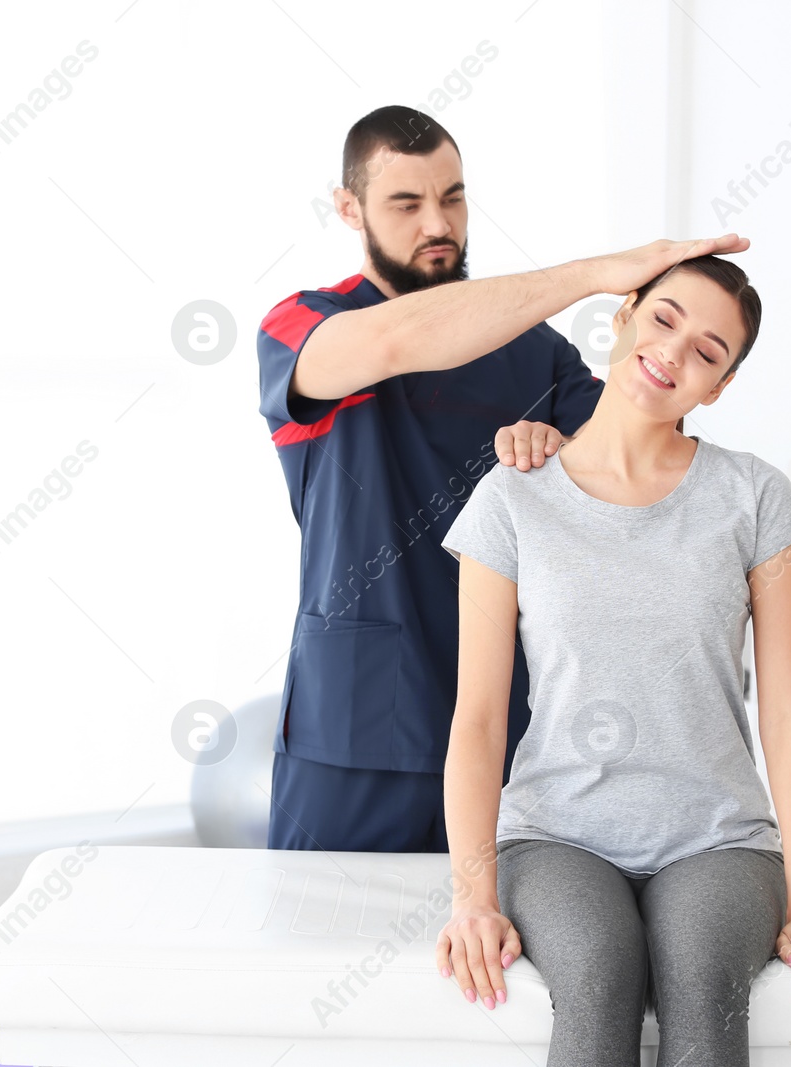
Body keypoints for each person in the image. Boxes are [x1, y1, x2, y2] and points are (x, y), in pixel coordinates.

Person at [257, 103, 738, 852]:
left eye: (451, 196)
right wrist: (593, 274)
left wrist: (571, 451)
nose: (437, 223)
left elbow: (647, 454)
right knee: (319, 949)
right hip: (356, 730)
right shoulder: (304, 325)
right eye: (406, 203)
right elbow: (399, 340)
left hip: (515, 731)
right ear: (349, 208)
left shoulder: (536, 355)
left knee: (496, 963)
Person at [433, 255, 791, 1066]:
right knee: (600, 970)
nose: (673, 352)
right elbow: (480, 718)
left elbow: (786, 711)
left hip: (718, 837)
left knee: (701, 976)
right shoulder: (511, 498)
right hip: (557, 835)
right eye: (664, 318)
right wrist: (473, 897)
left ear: (720, 385)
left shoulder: (755, 497)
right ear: (623, 314)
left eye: (708, 351)